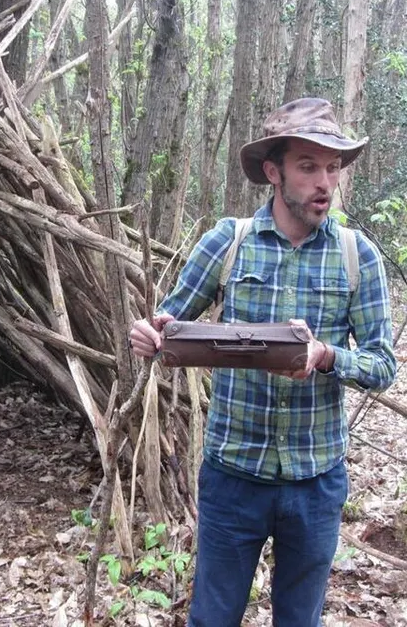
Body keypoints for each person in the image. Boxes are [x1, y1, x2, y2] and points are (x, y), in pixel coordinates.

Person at [129, 98, 397, 627]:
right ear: (273, 172)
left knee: (300, 621)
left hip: (315, 480)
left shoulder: (356, 254)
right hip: (234, 476)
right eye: (308, 166)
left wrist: (325, 356)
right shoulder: (228, 243)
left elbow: (382, 364)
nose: (325, 182)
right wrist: (148, 333)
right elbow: (169, 325)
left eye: (332, 167)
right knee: (213, 617)